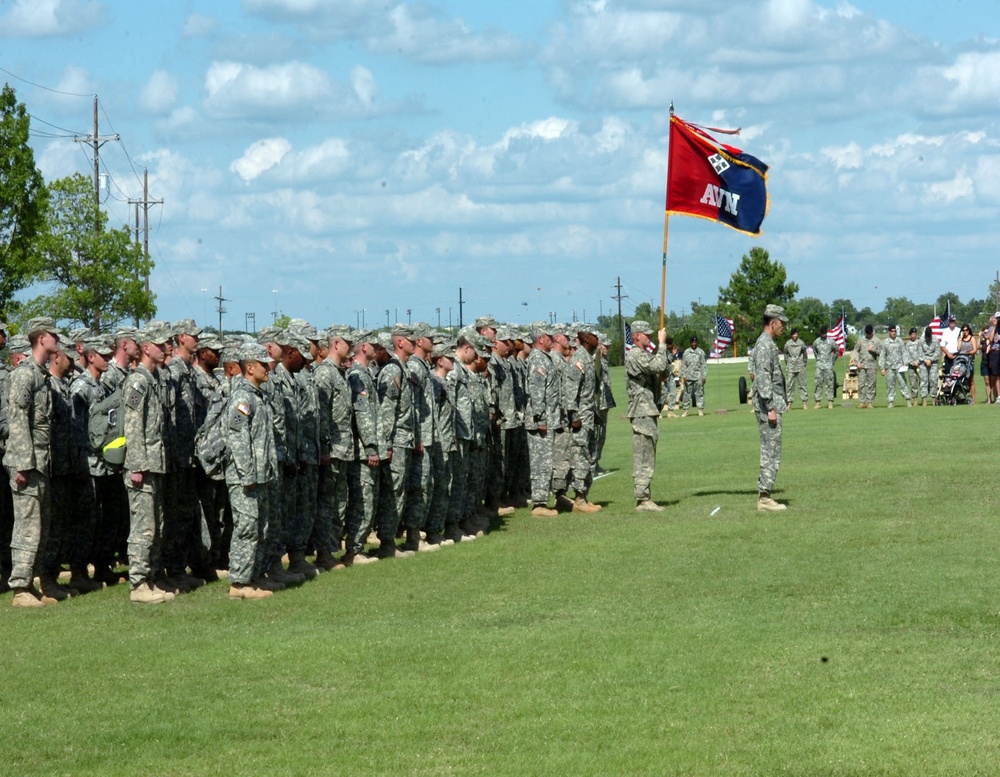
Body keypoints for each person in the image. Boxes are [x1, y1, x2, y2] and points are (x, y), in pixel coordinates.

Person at [4, 317, 62, 607]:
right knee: (27, 525)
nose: (57, 340)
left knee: (41, 525)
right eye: (54, 335)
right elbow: (17, 421)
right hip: (27, 463)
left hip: (40, 461)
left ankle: (32, 584)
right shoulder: (25, 375)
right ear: (41, 338)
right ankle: (20, 588)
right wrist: (23, 464)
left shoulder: (41, 375)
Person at [122, 321, 174, 604]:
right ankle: (138, 583)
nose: (167, 348)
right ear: (146, 348)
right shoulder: (138, 380)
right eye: (161, 343)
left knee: (156, 524)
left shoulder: (153, 379)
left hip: (155, 463)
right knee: (143, 526)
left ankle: (150, 578)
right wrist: (137, 465)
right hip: (143, 466)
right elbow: (132, 425)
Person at [225, 343, 277, 600]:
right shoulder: (242, 397)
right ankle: (239, 583)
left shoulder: (258, 395)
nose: (268, 368)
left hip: (260, 475)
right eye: (264, 364)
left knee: (261, 528)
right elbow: (236, 437)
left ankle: (254, 577)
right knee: (246, 527)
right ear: (250, 367)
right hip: (244, 477)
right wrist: (246, 474)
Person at [624, 321, 670, 511]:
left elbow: (662, 367)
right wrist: (661, 344)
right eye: (646, 335)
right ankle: (642, 498)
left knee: (648, 452)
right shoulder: (635, 355)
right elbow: (658, 365)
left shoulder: (644, 355)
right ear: (636, 336)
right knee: (644, 454)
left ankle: (644, 496)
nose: (650, 338)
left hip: (648, 408)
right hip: (641, 410)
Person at [749, 305, 788, 512]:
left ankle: (766, 494)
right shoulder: (765, 345)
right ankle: (764, 497)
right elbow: (763, 377)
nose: (783, 327)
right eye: (782, 323)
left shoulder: (766, 344)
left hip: (768, 404)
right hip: (767, 406)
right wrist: (770, 407)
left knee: (771, 448)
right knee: (770, 449)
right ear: (773, 322)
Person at [878, 324, 909, 408]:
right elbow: (882, 355)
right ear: (889, 332)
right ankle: (891, 401)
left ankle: (907, 400)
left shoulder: (899, 341)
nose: (894, 333)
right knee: (890, 385)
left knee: (903, 383)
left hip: (899, 366)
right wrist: (882, 368)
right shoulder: (885, 342)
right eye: (892, 331)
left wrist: (905, 362)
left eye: (895, 331)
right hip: (889, 367)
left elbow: (904, 352)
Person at [853, 324, 880, 408]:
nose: (868, 335)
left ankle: (870, 402)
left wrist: (873, 350)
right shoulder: (861, 340)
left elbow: (881, 352)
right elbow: (856, 351)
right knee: (861, 384)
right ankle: (862, 402)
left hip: (872, 365)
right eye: (867, 333)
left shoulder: (877, 341)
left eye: (870, 333)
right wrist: (857, 362)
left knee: (871, 384)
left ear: (872, 332)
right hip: (862, 365)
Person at [811, 325, 838, 409]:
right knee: (818, 384)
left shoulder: (831, 342)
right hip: (819, 366)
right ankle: (818, 402)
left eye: (825, 333)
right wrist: (818, 360)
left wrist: (832, 361)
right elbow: (815, 351)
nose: (823, 335)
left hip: (828, 366)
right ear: (820, 333)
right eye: (822, 333)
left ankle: (830, 402)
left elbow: (837, 351)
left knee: (829, 384)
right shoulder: (816, 342)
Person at [680, 335, 707, 417]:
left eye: (695, 342)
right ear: (690, 343)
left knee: (699, 393)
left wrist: (704, 376)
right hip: (688, 377)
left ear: (697, 343)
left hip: (698, 376)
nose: (694, 344)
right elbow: (684, 365)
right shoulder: (686, 352)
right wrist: (684, 376)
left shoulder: (701, 352)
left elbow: (704, 365)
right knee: (686, 394)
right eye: (692, 342)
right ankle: (685, 410)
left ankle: (700, 410)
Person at [782, 328, 808, 410]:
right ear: (791, 335)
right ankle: (789, 403)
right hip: (791, 367)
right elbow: (785, 354)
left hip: (800, 366)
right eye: (794, 334)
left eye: (796, 334)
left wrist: (804, 363)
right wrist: (788, 363)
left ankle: (804, 402)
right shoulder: (788, 344)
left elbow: (805, 354)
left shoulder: (801, 343)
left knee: (802, 385)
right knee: (790, 385)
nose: (795, 336)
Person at [916, 326, 940, 406]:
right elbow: (919, 352)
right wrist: (925, 360)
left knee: (933, 380)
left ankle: (933, 399)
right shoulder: (921, 340)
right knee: (923, 381)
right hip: (923, 363)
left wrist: (931, 360)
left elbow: (937, 351)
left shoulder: (935, 339)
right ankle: (924, 399)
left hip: (933, 363)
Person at [957, 323, 978, 403]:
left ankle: (974, 399)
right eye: (964, 330)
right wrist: (960, 338)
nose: (965, 332)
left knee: (971, 380)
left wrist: (970, 352)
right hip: (961, 361)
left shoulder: (971, 338)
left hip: (970, 361)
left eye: (967, 330)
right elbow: (958, 348)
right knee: (961, 380)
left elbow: (975, 349)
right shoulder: (960, 339)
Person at [982, 313, 1000, 403]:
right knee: (996, 376)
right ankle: (998, 397)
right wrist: (995, 327)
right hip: (995, 352)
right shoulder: (991, 328)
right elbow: (991, 338)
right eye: (996, 318)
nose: (997, 320)